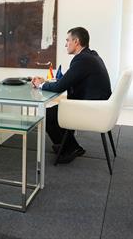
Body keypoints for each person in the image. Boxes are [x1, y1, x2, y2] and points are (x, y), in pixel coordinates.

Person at [32, 27, 111, 163]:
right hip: (100, 106)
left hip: (92, 109)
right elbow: (69, 80)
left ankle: (69, 149)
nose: (65, 44)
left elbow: (59, 88)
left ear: (76, 41)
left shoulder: (82, 60)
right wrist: (48, 82)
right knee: (55, 112)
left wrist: (40, 85)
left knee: (47, 115)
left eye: (68, 40)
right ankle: (71, 146)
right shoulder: (91, 56)